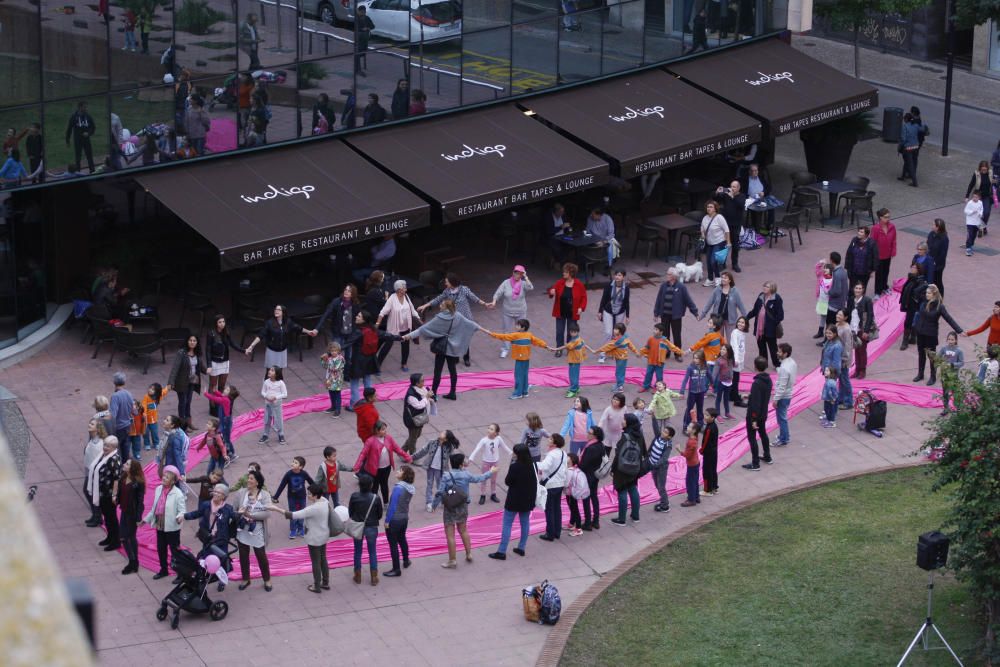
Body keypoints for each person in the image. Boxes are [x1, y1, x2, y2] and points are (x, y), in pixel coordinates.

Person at [403, 300, 481, 400]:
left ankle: (434, 393)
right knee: (452, 370)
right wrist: (487, 331)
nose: (440, 305)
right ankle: (453, 393)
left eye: (442, 304)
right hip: (452, 347)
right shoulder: (458, 315)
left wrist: (407, 336)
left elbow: (423, 329)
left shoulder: (439, 318)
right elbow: (471, 324)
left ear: (446, 308)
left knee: (438, 371)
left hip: (441, 348)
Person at [433, 453, 495, 569]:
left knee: (450, 535)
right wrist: (490, 471)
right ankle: (468, 553)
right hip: (463, 506)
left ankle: (452, 560)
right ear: (461, 464)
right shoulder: (466, 474)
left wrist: (433, 505)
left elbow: (440, 492)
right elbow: (479, 478)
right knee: (463, 530)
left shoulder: (446, 475)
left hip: (450, 507)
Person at [267, 481, 331, 593]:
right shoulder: (325, 501)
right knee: (323, 558)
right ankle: (325, 582)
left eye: (310, 494)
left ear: (316, 495)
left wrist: (275, 508)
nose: (308, 495)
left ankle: (316, 586)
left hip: (314, 538)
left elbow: (293, 515)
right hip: (324, 535)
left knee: (316, 561)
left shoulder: (313, 508)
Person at [418, 273, 487, 367]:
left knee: (464, 339)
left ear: (452, 282)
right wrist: (425, 305)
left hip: (466, 319)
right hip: (454, 320)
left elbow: (474, 298)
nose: (445, 283)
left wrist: (485, 304)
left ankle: (466, 358)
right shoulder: (447, 291)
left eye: (446, 282)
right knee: (455, 339)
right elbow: (438, 299)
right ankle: (456, 357)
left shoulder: (464, 290)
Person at [489, 444, 536, 560]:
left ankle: (501, 551)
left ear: (518, 454)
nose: (513, 454)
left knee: (507, 524)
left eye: (515, 452)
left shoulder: (515, 466)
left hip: (514, 500)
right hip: (527, 499)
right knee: (525, 523)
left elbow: (508, 481)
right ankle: (521, 547)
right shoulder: (532, 465)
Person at [484, 319, 549, 400]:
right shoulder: (529, 335)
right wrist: (546, 346)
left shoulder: (516, 335)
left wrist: (491, 334)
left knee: (518, 376)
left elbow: (503, 337)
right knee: (525, 375)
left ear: (523, 327)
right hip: (526, 359)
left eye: (517, 325)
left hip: (520, 359)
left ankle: (518, 393)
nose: (516, 326)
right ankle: (525, 392)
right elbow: (538, 341)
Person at [913, 285, 964, 385]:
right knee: (921, 354)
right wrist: (926, 285)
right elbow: (916, 291)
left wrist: (959, 330)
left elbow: (949, 319)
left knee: (931, 356)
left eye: (929, 293)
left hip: (931, 335)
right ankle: (920, 373)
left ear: (934, 294)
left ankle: (933, 376)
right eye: (926, 293)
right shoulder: (924, 300)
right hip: (920, 332)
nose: (926, 294)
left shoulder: (939, 306)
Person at [144, 465, 186, 580]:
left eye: (167, 477)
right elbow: (154, 508)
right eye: (164, 476)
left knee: (175, 551)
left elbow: (182, 510)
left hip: (172, 527)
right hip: (160, 525)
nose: (163, 478)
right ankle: (163, 570)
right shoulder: (158, 489)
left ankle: (180, 573)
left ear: (172, 481)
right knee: (161, 549)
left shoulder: (178, 494)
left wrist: (179, 516)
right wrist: (145, 520)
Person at [234, 469, 272, 591]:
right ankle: (246, 579)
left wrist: (250, 516)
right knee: (243, 555)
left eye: (251, 478)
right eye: (248, 478)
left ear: (257, 482)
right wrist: (239, 514)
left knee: (261, 556)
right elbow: (234, 509)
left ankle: (267, 580)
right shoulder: (241, 493)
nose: (248, 480)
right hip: (242, 529)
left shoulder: (264, 495)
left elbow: (267, 513)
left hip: (257, 530)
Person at [355, 420, 412, 503]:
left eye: (385, 429)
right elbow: (363, 454)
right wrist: (357, 465)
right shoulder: (370, 441)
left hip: (386, 468)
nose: (385, 431)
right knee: (374, 487)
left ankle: (386, 502)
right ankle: (374, 503)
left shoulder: (389, 438)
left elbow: (397, 449)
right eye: (383, 429)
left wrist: (407, 457)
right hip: (374, 470)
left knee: (384, 485)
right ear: (377, 431)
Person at [245, 305, 313, 370]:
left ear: (283, 313)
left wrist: (308, 332)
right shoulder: (270, 323)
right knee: (269, 372)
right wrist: (251, 346)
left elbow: (298, 328)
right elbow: (260, 335)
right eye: (275, 309)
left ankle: (279, 382)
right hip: (272, 351)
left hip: (282, 351)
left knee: (279, 372)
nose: (276, 311)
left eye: (279, 310)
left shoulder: (288, 322)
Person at [609, 414, 647, 525]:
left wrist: (613, 469)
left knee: (622, 491)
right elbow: (644, 452)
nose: (622, 421)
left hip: (622, 470)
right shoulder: (639, 435)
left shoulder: (624, 436)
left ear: (629, 422)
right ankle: (635, 516)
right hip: (635, 468)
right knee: (633, 489)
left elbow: (618, 456)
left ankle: (621, 519)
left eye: (624, 420)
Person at [489, 265, 533, 360]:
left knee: (521, 331)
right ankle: (505, 349)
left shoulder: (524, 283)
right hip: (507, 311)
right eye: (516, 272)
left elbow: (531, 287)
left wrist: (526, 277)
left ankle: (520, 348)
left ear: (522, 274)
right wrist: (494, 301)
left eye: (520, 273)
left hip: (520, 311)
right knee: (506, 331)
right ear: (513, 273)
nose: (517, 275)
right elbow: (498, 293)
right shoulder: (506, 283)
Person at [376, 280, 420, 372]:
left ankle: (404, 364)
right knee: (388, 345)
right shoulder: (392, 298)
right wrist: (377, 323)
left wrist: (419, 319)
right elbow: (383, 312)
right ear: (399, 289)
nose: (406, 289)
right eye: (404, 287)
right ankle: (377, 364)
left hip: (406, 326)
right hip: (393, 328)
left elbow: (412, 310)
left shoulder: (406, 297)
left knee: (405, 346)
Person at [413, 429, 460, 512]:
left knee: (440, 485)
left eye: (443, 433)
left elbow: (453, 458)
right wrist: (412, 457)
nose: (441, 432)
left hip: (441, 470)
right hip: (430, 467)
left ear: (446, 439)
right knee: (429, 484)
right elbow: (423, 451)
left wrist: (457, 468)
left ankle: (442, 500)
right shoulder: (432, 442)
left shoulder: (449, 447)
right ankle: (429, 502)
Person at [653, 267, 699, 354]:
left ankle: (678, 353)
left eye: (669, 274)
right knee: (665, 335)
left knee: (677, 335)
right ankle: (666, 352)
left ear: (674, 276)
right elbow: (658, 299)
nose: (667, 275)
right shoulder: (663, 286)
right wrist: (656, 313)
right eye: (667, 274)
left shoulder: (681, 287)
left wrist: (695, 312)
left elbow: (688, 300)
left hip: (676, 316)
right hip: (664, 315)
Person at [349, 473, 383, 585]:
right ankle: (374, 577)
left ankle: (357, 576)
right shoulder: (376, 498)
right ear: (371, 485)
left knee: (357, 551)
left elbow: (351, 513)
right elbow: (379, 515)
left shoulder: (354, 496)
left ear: (359, 484)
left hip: (358, 527)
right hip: (372, 527)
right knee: (372, 551)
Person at [317, 285, 361, 370]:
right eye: (345, 289)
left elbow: (359, 317)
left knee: (349, 356)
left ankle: (347, 374)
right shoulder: (337, 302)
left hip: (350, 334)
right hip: (338, 333)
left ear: (353, 294)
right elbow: (326, 314)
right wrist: (317, 328)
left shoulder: (355, 304)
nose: (346, 292)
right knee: (334, 353)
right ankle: (333, 373)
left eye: (349, 291)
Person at [547, 263, 588, 354]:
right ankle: (559, 349)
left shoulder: (579, 284)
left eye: (565, 272)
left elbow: (584, 297)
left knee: (571, 332)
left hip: (572, 313)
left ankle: (570, 348)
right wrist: (551, 292)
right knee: (559, 332)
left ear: (571, 273)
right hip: (560, 311)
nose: (563, 273)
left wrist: (581, 308)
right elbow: (551, 290)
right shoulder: (560, 282)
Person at [91, 436, 122, 552]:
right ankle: (110, 537)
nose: (105, 448)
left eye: (108, 446)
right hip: (103, 492)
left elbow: (116, 479)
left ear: (114, 447)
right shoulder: (104, 456)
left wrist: (114, 495)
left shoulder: (114, 459)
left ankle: (116, 541)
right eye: (104, 445)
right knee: (107, 517)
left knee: (111, 517)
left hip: (109, 495)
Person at [272, 456, 315, 539]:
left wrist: (317, 491)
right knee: (292, 513)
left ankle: (301, 528)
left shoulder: (304, 474)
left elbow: (311, 482)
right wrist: (276, 496)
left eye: (295, 463)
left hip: (302, 497)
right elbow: (282, 485)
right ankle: (293, 530)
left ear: (300, 467)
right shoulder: (288, 474)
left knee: (302, 512)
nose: (292, 463)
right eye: (293, 461)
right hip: (292, 498)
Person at [383, 466, 415, 577]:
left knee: (393, 545)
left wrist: (387, 521)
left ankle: (396, 569)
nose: (397, 471)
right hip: (404, 518)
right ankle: (406, 560)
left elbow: (392, 506)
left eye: (400, 471)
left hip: (394, 520)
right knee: (402, 539)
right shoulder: (410, 488)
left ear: (404, 475)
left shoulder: (398, 489)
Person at [741, 356, 772, 471]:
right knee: (763, 433)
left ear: (755, 367)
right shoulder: (768, 380)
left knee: (752, 437)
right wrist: (750, 395)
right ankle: (767, 456)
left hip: (755, 415)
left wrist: (753, 420)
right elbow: (762, 397)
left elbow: (755, 403)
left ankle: (755, 463)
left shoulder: (757, 383)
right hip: (763, 413)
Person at [469, 423, 512, 504]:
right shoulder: (484, 440)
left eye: (491, 429)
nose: (489, 430)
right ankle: (483, 495)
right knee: (484, 479)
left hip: (495, 462)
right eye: (488, 428)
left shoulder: (498, 439)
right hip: (486, 462)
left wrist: (512, 453)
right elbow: (477, 449)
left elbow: (505, 446)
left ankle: (493, 494)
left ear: (496, 433)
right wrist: (471, 458)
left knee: (493, 479)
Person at [537, 433, 568, 541]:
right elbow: (565, 469)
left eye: (550, 439)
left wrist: (534, 464)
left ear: (554, 443)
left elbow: (544, 466)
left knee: (549, 509)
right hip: (559, 484)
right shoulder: (563, 453)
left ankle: (550, 533)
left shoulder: (551, 454)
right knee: (557, 508)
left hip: (550, 485)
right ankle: (557, 532)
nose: (548, 440)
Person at [205, 316, 240, 412]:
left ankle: (219, 404)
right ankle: (212, 407)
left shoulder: (226, 332)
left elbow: (232, 344)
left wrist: (243, 350)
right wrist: (209, 365)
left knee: (222, 385)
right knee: (213, 385)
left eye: (223, 321)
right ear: (216, 323)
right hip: (214, 362)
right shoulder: (211, 334)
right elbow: (208, 350)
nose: (222, 324)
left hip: (225, 361)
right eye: (220, 322)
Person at [745, 280, 784, 368]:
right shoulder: (760, 296)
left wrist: (773, 324)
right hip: (759, 328)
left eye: (767, 287)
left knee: (773, 348)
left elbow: (780, 315)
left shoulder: (776, 298)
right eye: (764, 286)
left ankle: (776, 363)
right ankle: (763, 363)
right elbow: (755, 310)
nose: (764, 288)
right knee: (761, 348)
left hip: (770, 329)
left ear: (772, 288)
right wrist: (746, 318)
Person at [596, 270, 631, 365]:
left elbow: (627, 302)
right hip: (608, 311)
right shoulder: (609, 286)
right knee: (608, 332)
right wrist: (600, 311)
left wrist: (627, 315)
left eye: (619, 275)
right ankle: (603, 353)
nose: (617, 277)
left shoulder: (626, 288)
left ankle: (613, 351)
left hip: (620, 312)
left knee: (617, 333)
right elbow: (603, 298)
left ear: (623, 277)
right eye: (616, 275)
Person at [593, 323, 641, 393]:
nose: (614, 330)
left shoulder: (617, 342)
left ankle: (620, 387)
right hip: (621, 358)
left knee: (619, 372)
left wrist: (597, 351)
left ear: (620, 331)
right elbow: (631, 346)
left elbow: (607, 347)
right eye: (614, 328)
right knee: (620, 372)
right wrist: (636, 352)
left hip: (621, 359)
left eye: (616, 329)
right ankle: (619, 384)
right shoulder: (625, 338)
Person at [700, 271, 747, 341]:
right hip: (717, 319)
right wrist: (702, 314)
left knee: (731, 340)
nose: (723, 279)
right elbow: (709, 303)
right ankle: (719, 352)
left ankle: (730, 352)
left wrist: (746, 318)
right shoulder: (717, 289)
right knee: (718, 340)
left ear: (730, 280)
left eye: (725, 278)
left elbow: (741, 305)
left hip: (730, 320)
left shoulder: (735, 291)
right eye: (722, 277)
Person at [118, 460, 145, 575]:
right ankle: (133, 561)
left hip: (132, 513)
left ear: (133, 468)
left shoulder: (138, 483)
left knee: (129, 537)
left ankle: (133, 562)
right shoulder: (123, 476)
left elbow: (140, 501)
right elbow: (120, 490)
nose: (124, 464)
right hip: (124, 510)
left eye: (127, 464)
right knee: (124, 537)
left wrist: (138, 517)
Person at [638, 323, 683, 392]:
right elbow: (646, 347)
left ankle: (657, 387)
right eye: (654, 329)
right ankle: (645, 386)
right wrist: (640, 353)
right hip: (651, 361)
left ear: (661, 332)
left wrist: (681, 352)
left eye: (656, 329)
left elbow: (672, 347)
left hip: (659, 362)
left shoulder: (664, 340)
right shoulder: (650, 339)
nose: (654, 331)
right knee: (648, 374)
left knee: (659, 376)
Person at [714, 180, 747, 272]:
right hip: (725, 224)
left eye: (734, 187)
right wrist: (717, 192)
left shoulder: (742, 196)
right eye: (731, 186)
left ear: (738, 188)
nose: (732, 188)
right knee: (723, 245)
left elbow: (740, 205)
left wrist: (733, 197)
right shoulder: (726, 195)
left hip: (735, 225)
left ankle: (735, 264)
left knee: (735, 246)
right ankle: (722, 263)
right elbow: (715, 198)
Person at [578, 426, 605, 530]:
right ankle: (596, 521)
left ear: (595, 436)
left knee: (586, 499)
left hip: (587, 476)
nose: (587, 434)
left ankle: (588, 522)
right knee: (594, 497)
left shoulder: (590, 448)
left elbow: (584, 464)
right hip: (595, 476)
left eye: (589, 433)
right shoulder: (600, 445)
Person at [846, 283, 875, 379]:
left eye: (860, 288)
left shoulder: (867, 300)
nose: (858, 290)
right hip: (853, 329)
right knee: (856, 350)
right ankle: (857, 370)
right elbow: (848, 314)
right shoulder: (851, 300)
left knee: (862, 351)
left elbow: (870, 316)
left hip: (862, 330)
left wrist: (866, 331)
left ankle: (862, 370)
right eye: (856, 288)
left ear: (863, 290)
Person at [551, 323, 588, 398]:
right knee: (574, 375)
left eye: (574, 332)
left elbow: (567, 346)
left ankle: (573, 390)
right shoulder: (577, 339)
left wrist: (555, 349)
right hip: (574, 360)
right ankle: (576, 388)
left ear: (577, 332)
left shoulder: (575, 341)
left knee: (573, 376)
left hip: (574, 360)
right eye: (571, 332)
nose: (573, 333)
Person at [700, 200, 731, 287]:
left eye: (711, 207)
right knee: (708, 261)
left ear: (715, 209)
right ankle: (710, 279)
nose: (708, 208)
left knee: (713, 261)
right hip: (709, 243)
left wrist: (728, 242)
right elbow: (702, 228)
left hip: (719, 242)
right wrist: (702, 235)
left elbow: (726, 230)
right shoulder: (705, 218)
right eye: (708, 207)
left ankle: (717, 278)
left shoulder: (719, 217)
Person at [84, 419, 108, 528]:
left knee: (92, 494)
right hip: (89, 472)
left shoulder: (100, 443)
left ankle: (98, 516)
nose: (89, 425)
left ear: (97, 429)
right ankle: (95, 514)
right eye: (90, 423)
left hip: (95, 474)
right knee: (87, 492)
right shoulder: (92, 439)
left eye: (92, 424)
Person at [899, 262, 928, 351]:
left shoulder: (920, 281)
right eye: (912, 267)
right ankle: (913, 338)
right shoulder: (911, 278)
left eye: (915, 267)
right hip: (909, 303)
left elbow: (922, 295)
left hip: (915, 305)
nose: (912, 268)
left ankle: (906, 341)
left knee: (909, 321)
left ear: (919, 270)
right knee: (911, 321)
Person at [401, 374, 432, 453]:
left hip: (419, 417)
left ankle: (402, 451)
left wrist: (429, 399)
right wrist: (426, 397)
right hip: (413, 419)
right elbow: (419, 405)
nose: (424, 382)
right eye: (422, 381)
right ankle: (412, 456)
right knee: (413, 438)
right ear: (416, 383)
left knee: (416, 435)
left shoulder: (421, 389)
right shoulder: (411, 395)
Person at [773, 343, 797, 447]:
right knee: (783, 417)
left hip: (783, 396)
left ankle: (783, 439)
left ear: (785, 353)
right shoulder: (792, 363)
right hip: (788, 394)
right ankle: (784, 436)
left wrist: (776, 399)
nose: (777, 353)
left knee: (781, 418)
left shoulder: (784, 368)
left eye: (779, 351)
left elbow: (782, 386)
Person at [648, 423, 674, 512]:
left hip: (661, 468)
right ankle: (663, 501)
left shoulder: (668, 445)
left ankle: (665, 505)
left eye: (666, 432)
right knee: (657, 484)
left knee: (661, 486)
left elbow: (664, 459)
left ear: (669, 437)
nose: (663, 433)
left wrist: (654, 465)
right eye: (663, 430)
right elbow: (655, 427)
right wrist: (653, 417)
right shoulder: (658, 437)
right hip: (653, 466)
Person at [871, 209, 897, 298]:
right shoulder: (875, 228)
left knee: (886, 271)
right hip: (879, 255)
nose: (888, 219)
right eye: (886, 217)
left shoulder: (892, 227)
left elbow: (894, 240)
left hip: (888, 254)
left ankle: (884, 287)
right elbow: (873, 242)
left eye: (889, 217)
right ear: (880, 218)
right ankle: (877, 292)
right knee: (879, 273)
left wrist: (893, 251)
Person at [680, 350, 709, 429]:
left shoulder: (705, 367)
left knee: (700, 408)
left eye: (697, 358)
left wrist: (712, 385)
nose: (695, 360)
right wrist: (682, 391)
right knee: (690, 409)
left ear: (702, 359)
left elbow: (709, 376)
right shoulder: (690, 368)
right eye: (694, 358)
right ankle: (686, 426)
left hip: (701, 392)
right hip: (692, 392)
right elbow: (685, 380)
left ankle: (700, 424)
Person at [258, 366, 287, 445]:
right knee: (267, 419)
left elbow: (285, 394)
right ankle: (265, 434)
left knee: (278, 420)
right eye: (270, 370)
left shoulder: (280, 383)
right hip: (268, 404)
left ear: (277, 374)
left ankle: (281, 434)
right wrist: (266, 396)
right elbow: (263, 392)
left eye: (272, 370)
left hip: (277, 405)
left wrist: (276, 397)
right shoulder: (266, 382)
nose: (269, 371)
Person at [937, 332, 965, 415]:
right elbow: (938, 357)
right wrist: (940, 362)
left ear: (956, 340)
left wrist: (952, 365)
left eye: (952, 339)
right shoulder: (944, 348)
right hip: (944, 374)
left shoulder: (959, 351)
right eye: (949, 339)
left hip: (953, 375)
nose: (950, 341)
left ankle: (958, 408)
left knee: (955, 391)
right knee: (945, 392)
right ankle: (946, 408)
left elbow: (961, 363)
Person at [845, 226, 878, 294]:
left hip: (864, 272)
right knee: (852, 289)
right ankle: (851, 303)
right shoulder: (854, 240)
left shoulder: (872, 243)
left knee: (862, 289)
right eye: (859, 231)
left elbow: (875, 257)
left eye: (861, 232)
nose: (859, 233)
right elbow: (849, 253)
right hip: (853, 271)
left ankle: (860, 303)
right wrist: (847, 267)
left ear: (866, 234)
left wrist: (873, 270)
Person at [65, 101, 96, 173]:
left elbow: (93, 127)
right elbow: (69, 128)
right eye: (84, 107)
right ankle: (78, 172)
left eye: (86, 107)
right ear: (80, 107)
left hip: (86, 139)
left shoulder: (88, 116)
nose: (86, 108)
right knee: (78, 157)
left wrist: (88, 133)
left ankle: (92, 171)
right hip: (77, 140)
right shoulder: (74, 117)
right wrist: (67, 140)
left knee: (89, 155)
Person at [965, 160, 994, 236]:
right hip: (978, 197)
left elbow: (994, 182)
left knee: (986, 213)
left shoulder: (990, 173)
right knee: (978, 213)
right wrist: (967, 196)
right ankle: (981, 227)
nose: (984, 171)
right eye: (982, 169)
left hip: (987, 196)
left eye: (985, 169)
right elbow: (971, 185)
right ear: (980, 168)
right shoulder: (976, 174)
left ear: (987, 168)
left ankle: (983, 226)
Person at [563, 453, 589, 536]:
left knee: (574, 510)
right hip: (573, 493)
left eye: (568, 458)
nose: (566, 458)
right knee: (573, 508)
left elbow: (566, 484)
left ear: (571, 461)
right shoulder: (575, 469)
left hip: (571, 494)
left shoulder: (569, 471)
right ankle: (571, 524)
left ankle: (578, 528)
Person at [834, 309, 854, 409]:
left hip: (843, 358)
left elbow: (848, 345)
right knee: (841, 379)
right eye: (838, 314)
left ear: (845, 317)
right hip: (837, 356)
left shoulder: (846, 329)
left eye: (840, 315)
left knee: (845, 380)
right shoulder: (837, 325)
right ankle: (841, 398)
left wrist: (844, 359)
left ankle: (849, 401)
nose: (838, 316)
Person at [678, 421, 701, 507]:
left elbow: (687, 455)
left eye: (689, 427)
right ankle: (696, 496)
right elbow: (695, 422)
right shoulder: (695, 436)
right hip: (696, 463)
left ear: (694, 430)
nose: (687, 427)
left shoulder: (691, 442)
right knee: (695, 481)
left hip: (692, 465)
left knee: (689, 482)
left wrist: (679, 450)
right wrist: (693, 414)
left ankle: (691, 500)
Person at [320, 342, 345, 417]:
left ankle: (338, 410)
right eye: (332, 351)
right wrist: (323, 360)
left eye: (335, 350)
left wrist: (326, 359)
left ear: (338, 351)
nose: (333, 352)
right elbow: (325, 366)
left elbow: (335, 368)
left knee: (337, 394)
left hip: (337, 379)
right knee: (331, 393)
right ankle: (333, 406)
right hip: (330, 379)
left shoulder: (341, 359)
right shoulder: (329, 358)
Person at [927, 219, 949, 296]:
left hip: (938, 265)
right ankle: (932, 295)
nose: (932, 225)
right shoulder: (931, 234)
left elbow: (943, 254)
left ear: (938, 227)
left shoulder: (944, 238)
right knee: (931, 279)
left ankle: (940, 296)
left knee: (938, 281)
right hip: (930, 261)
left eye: (933, 224)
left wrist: (935, 262)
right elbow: (928, 245)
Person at [730, 315, 749, 408]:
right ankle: (736, 400)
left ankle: (732, 396)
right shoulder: (735, 332)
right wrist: (736, 359)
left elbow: (742, 348)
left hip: (739, 359)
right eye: (739, 322)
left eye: (743, 322)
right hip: (735, 359)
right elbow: (735, 347)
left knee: (735, 379)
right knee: (735, 379)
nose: (740, 324)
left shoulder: (742, 334)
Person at [700, 408, 719, 495]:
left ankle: (707, 490)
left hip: (708, 452)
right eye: (705, 414)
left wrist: (701, 450)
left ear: (713, 418)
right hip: (714, 451)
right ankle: (714, 487)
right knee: (713, 470)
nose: (705, 416)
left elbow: (706, 441)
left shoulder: (709, 429)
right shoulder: (713, 426)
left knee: (706, 471)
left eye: (707, 415)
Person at [827, 252, 849, 327]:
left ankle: (828, 338)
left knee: (830, 324)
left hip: (834, 304)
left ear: (832, 261)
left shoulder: (837, 274)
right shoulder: (843, 271)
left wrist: (829, 292)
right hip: (841, 302)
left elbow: (837, 291)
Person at [898, 113, 920, 187]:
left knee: (909, 164)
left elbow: (903, 139)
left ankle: (915, 182)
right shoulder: (916, 125)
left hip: (908, 148)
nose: (903, 120)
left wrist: (900, 147)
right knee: (908, 162)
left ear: (906, 119)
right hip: (916, 147)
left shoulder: (904, 126)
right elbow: (922, 129)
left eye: (904, 119)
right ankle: (903, 176)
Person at [354, 5, 374, 76]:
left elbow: (372, 26)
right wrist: (362, 29)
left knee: (362, 53)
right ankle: (358, 69)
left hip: (365, 39)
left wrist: (367, 28)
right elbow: (356, 27)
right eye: (361, 12)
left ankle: (358, 69)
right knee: (358, 53)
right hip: (359, 39)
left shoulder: (367, 18)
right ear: (359, 11)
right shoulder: (357, 19)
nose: (363, 13)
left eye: (364, 12)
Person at [964, 192, 984, 256]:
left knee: (974, 235)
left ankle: (971, 245)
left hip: (977, 222)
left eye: (976, 197)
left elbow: (981, 209)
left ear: (979, 197)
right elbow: (965, 211)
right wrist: (972, 212)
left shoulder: (980, 203)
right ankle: (968, 248)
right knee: (970, 234)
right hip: (970, 222)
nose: (974, 198)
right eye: (973, 197)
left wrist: (980, 214)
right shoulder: (970, 203)